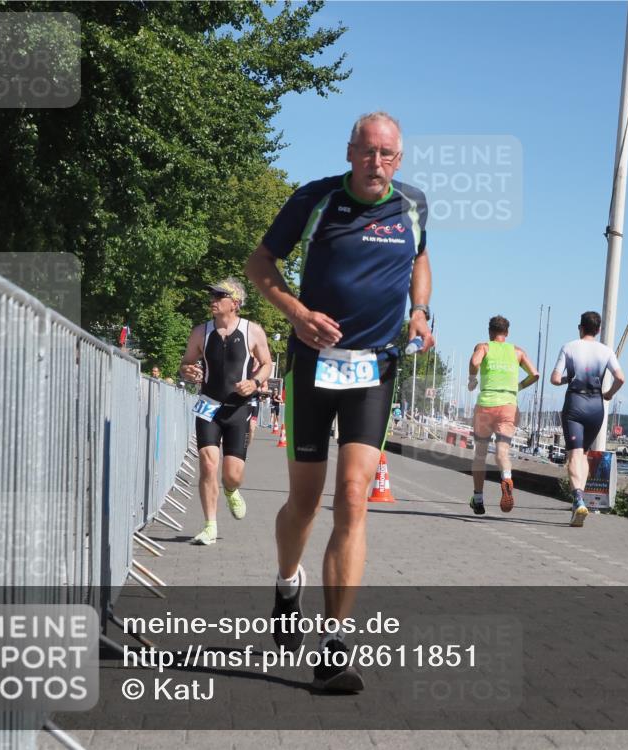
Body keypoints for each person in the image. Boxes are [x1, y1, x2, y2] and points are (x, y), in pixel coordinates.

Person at [245, 111, 432, 692]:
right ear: (351, 152)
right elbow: (260, 264)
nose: (378, 164)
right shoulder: (316, 199)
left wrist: (420, 310)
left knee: (353, 497)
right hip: (313, 369)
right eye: (368, 152)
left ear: (400, 159)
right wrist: (298, 315)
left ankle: (333, 645)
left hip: (375, 366)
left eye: (389, 155)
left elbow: (421, 259)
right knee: (303, 502)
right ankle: (285, 580)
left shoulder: (414, 205)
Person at [179, 278, 272, 545]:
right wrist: (188, 370)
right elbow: (185, 364)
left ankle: (232, 490)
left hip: (237, 408)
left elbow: (266, 363)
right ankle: (210, 525)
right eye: (212, 296)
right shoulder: (200, 332)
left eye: (219, 296)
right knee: (208, 464)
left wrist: (254, 382)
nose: (213, 301)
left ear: (235, 303)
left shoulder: (252, 331)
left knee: (232, 474)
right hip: (208, 405)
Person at [550, 311, 625, 527]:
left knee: (574, 454)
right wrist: (609, 394)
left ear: (580, 327)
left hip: (575, 404)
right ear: (599, 329)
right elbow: (621, 377)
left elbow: (554, 379)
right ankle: (578, 505)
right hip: (596, 407)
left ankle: (578, 499)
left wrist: (568, 378)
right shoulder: (606, 351)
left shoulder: (569, 347)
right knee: (583, 454)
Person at [467, 316, 539, 515]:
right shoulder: (517, 352)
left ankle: (478, 499)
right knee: (502, 452)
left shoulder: (484, 347)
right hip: (508, 406)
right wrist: (519, 386)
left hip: (486, 405)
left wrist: (472, 378)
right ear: (506, 333)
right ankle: (506, 477)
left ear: (490, 332)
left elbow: (474, 361)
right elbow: (535, 374)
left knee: (480, 454)